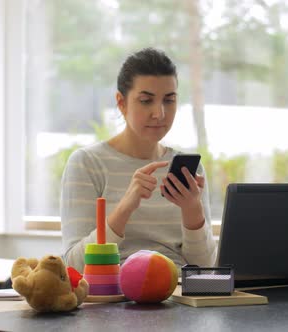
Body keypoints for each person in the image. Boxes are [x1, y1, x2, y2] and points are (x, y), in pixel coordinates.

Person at [61, 48, 216, 272]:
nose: (159, 113)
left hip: (178, 296)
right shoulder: (87, 163)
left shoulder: (189, 169)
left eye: (169, 100)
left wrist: (193, 211)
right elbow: (73, 267)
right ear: (121, 103)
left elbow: (205, 270)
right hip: (115, 295)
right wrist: (125, 208)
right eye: (146, 101)